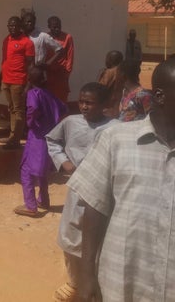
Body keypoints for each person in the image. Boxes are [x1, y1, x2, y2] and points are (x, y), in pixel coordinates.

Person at [70, 57, 175, 302]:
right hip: (123, 284)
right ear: (160, 96)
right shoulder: (116, 140)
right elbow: (95, 208)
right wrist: (86, 278)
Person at [45, 82, 118, 302]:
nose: (84, 107)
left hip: (105, 192)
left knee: (100, 240)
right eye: (81, 102)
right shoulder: (70, 122)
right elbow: (52, 140)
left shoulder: (115, 128)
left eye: (90, 103)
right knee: (70, 238)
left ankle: (97, 282)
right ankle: (75, 281)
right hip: (77, 190)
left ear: (104, 105)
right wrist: (63, 162)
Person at [14, 66, 67, 218]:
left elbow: (33, 109)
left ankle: (31, 206)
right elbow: (63, 109)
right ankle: (43, 200)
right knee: (42, 171)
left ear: (29, 79)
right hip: (49, 138)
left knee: (27, 171)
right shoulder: (50, 94)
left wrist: (31, 123)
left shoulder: (33, 93)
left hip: (37, 137)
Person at [0, 16, 35, 149]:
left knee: (19, 111)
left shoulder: (27, 42)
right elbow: (4, 61)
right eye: (9, 25)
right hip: (6, 80)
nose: (11, 28)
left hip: (19, 81)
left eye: (14, 25)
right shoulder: (6, 40)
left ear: (20, 27)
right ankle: (12, 136)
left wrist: (28, 84)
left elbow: (31, 65)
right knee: (11, 108)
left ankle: (15, 140)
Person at [47, 16, 75, 103]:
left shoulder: (67, 37)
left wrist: (67, 73)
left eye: (59, 26)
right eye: (54, 27)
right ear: (49, 27)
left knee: (61, 99)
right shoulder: (46, 37)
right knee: (49, 98)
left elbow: (70, 56)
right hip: (48, 73)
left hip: (62, 73)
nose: (57, 29)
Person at [97, 50, 124, 118]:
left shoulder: (109, 72)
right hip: (121, 106)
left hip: (109, 107)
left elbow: (99, 89)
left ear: (110, 60)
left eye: (107, 58)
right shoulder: (124, 72)